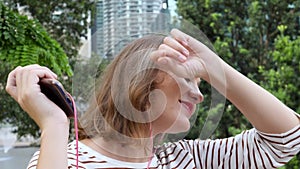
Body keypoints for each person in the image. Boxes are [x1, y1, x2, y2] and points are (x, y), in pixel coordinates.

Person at [6, 29, 300, 169]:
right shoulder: (64, 159)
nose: (198, 96)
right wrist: (53, 125)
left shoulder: (189, 158)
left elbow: (287, 139)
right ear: (142, 79)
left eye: (201, 83)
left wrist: (216, 68)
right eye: (186, 78)